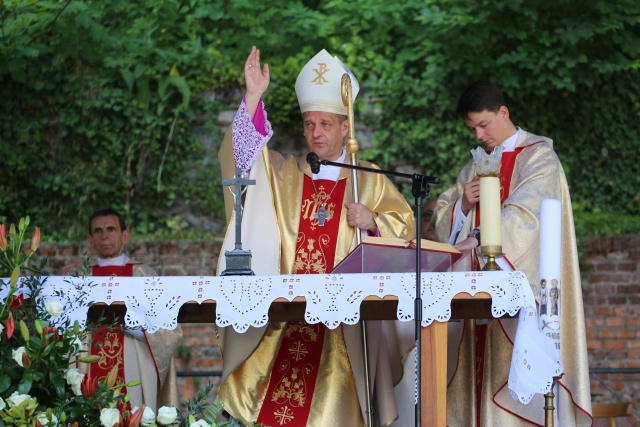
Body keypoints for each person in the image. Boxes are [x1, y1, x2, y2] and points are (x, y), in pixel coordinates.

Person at [216, 47, 415, 427]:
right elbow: (243, 161)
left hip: (342, 333)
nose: (316, 132)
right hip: (285, 321)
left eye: (325, 124)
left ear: (345, 128)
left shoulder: (368, 178)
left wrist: (373, 221)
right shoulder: (286, 174)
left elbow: (404, 233)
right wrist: (254, 97)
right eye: (309, 124)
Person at [433, 81, 591, 425]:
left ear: (503, 113)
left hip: (523, 292)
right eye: (472, 128)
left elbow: (526, 216)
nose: (478, 134)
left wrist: (478, 239)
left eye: (483, 124)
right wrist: (463, 203)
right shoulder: (477, 164)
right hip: (476, 297)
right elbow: (444, 213)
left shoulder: (540, 158)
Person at [58, 208, 181, 412]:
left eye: (111, 229)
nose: (104, 235)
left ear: (125, 235)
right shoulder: (79, 278)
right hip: (89, 364)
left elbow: (167, 330)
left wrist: (136, 328)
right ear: (90, 239)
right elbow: (63, 325)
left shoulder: (144, 275)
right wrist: (61, 285)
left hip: (132, 359)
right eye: (98, 231)